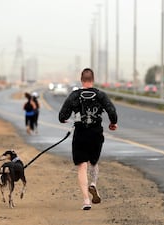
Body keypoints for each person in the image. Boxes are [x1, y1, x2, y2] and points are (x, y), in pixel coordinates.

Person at [58, 68, 118, 210]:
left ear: (81, 80)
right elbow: (112, 111)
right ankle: (94, 184)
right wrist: (113, 123)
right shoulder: (100, 95)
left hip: (80, 134)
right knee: (94, 162)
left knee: (82, 166)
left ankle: (86, 200)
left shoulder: (74, 95)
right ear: (93, 79)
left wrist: (66, 120)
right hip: (96, 134)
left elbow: (62, 116)